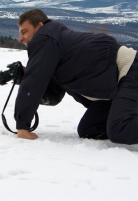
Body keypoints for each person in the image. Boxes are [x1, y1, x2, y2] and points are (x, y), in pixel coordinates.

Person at [14, 8, 138, 144]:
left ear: (40, 26)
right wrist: (24, 77)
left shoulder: (45, 37)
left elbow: (34, 82)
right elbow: (53, 95)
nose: (20, 38)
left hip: (130, 68)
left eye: (24, 32)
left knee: (120, 128)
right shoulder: (56, 47)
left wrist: (22, 125)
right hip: (114, 86)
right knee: (90, 129)